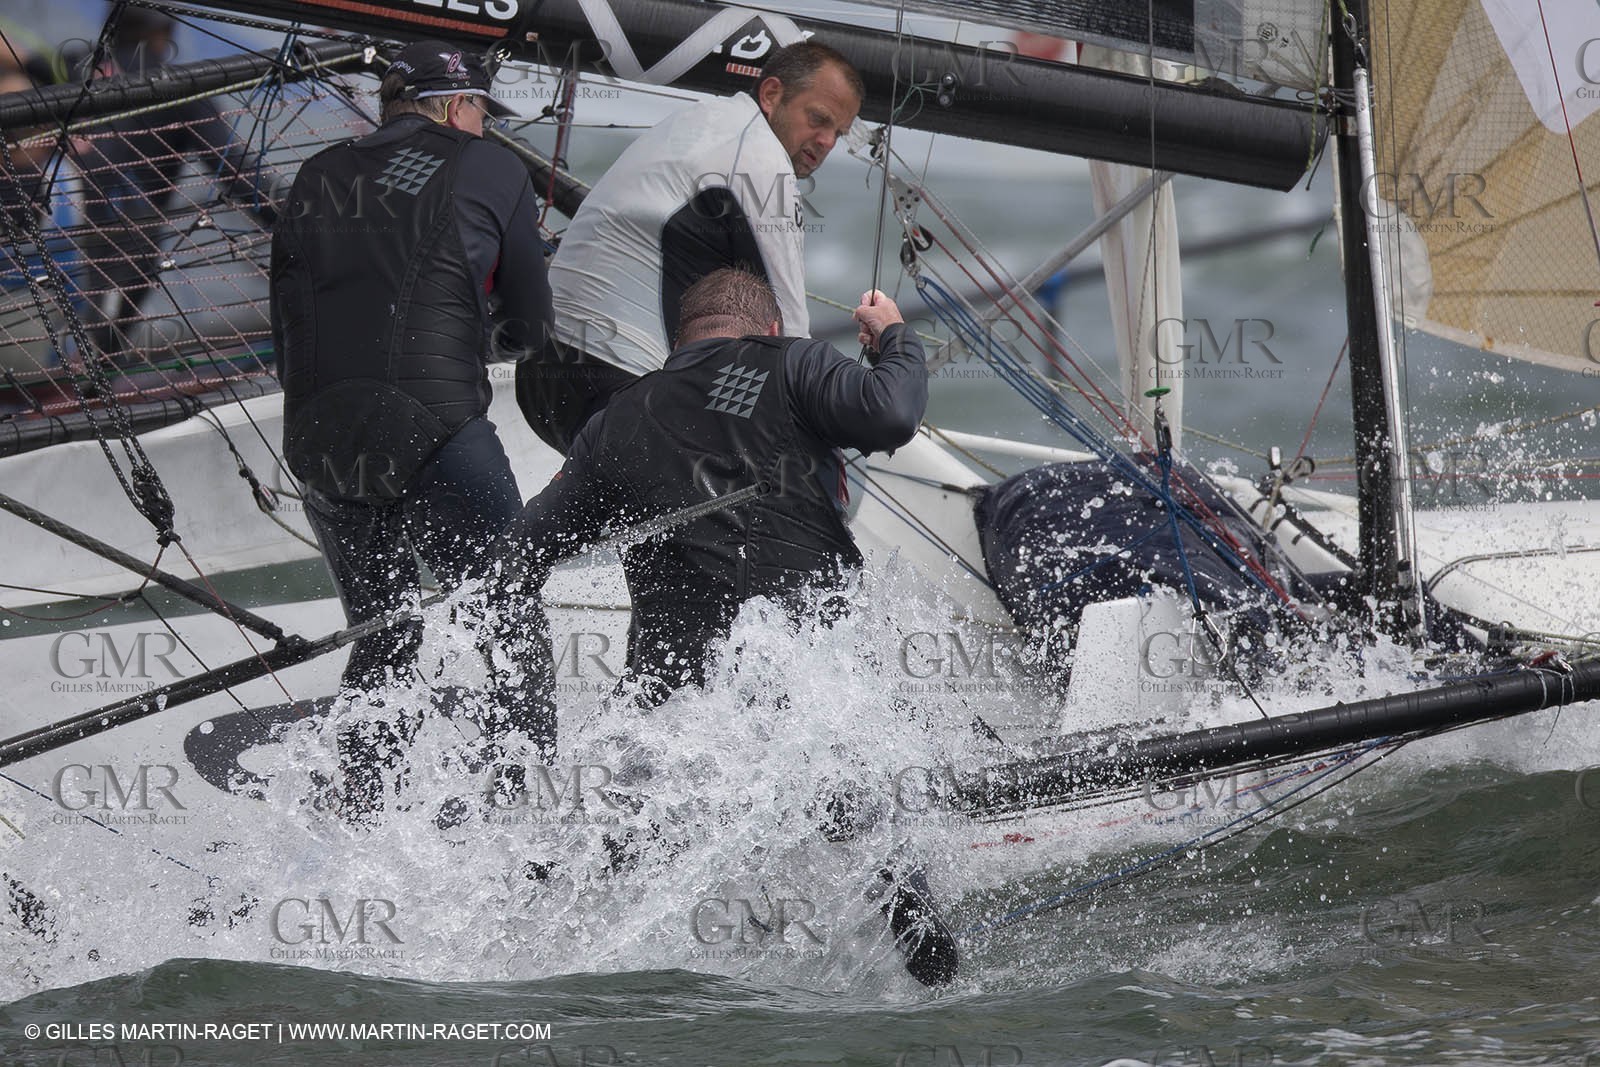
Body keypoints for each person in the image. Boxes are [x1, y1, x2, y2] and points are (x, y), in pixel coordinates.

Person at [488, 269, 952, 984]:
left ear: (680, 342)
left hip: (674, 712)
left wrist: (529, 726)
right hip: (799, 691)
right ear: (768, 330)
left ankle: (499, 952)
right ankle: (939, 983)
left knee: (589, 862)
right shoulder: (794, 363)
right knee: (884, 853)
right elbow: (892, 414)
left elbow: (515, 562)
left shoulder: (618, 419)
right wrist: (892, 335)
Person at [270, 39, 555, 812]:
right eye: (482, 114)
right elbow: (530, 323)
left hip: (320, 441)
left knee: (386, 639)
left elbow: (286, 333)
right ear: (460, 108)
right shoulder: (494, 168)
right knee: (507, 619)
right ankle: (527, 831)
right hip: (437, 428)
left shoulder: (316, 173)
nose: (484, 127)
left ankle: (364, 824)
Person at [515, 41, 865, 454]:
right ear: (772, 95)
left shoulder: (703, 119)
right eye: (818, 119)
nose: (825, 141)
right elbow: (791, 333)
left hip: (541, 370)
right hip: (613, 380)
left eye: (838, 133)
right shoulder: (759, 161)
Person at [74, 8, 278, 357]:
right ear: (164, 32)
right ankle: (95, 367)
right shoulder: (182, 88)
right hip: (119, 254)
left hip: (41, 238)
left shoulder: (69, 65)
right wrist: (309, 222)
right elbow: (239, 178)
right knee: (90, 362)